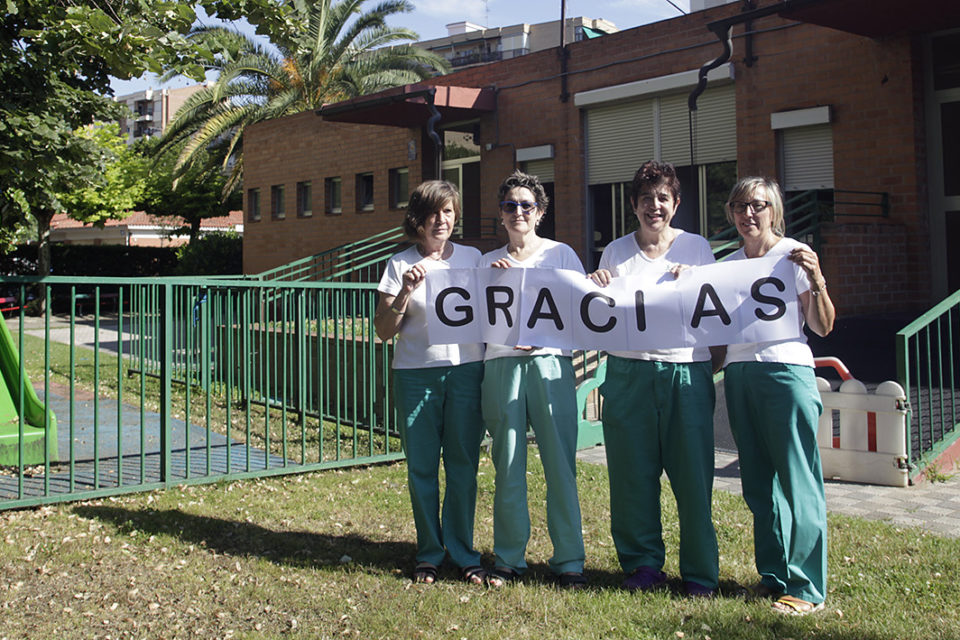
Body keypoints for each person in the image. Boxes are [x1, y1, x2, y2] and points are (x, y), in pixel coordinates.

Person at [588, 160, 721, 598]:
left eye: (663, 198)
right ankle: (643, 564)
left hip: (685, 371)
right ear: (633, 204)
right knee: (631, 475)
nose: (655, 206)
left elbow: (715, 314)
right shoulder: (615, 252)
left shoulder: (697, 248)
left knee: (693, 476)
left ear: (676, 203)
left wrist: (697, 282)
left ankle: (700, 571)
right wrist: (596, 286)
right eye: (646, 199)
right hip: (628, 372)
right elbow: (601, 315)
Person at [721, 177, 835, 615]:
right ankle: (773, 575)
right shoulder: (727, 263)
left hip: (786, 371)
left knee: (797, 478)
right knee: (759, 484)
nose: (748, 214)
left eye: (758, 205)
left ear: (774, 210)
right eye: (739, 206)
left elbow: (823, 326)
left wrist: (818, 279)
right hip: (739, 374)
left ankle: (806, 587)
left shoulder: (793, 256)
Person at [374, 180, 488, 586]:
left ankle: (462, 551)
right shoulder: (398, 264)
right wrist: (405, 291)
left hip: (466, 371)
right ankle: (428, 552)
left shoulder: (475, 257)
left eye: (449, 212)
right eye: (434, 213)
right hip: (416, 373)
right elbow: (384, 331)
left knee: (463, 466)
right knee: (422, 466)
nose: (442, 220)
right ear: (418, 219)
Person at [479, 170, 587, 589]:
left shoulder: (561, 255)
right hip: (501, 366)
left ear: (540, 212)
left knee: (560, 462)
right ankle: (508, 557)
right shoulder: (486, 263)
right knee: (506, 463)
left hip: (549, 366)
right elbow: (472, 321)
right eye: (510, 205)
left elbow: (584, 316)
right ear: (501, 214)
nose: (518, 212)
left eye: (526, 205)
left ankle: (570, 561)